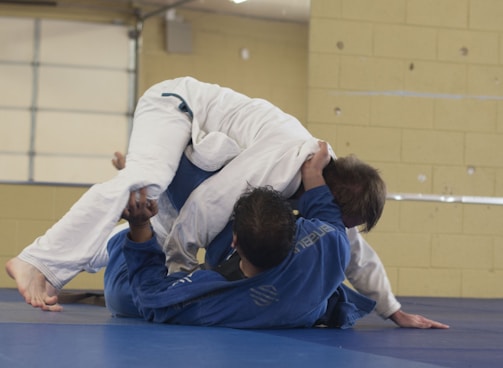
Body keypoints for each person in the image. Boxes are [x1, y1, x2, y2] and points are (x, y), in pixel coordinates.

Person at [6, 77, 448, 328]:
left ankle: (129, 226)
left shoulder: (323, 193)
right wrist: (177, 273)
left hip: (202, 151)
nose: (339, 224)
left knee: (153, 211)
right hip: (174, 107)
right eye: (343, 216)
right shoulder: (282, 163)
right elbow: (206, 204)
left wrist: (393, 310)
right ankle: (38, 261)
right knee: (148, 181)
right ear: (329, 195)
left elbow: (353, 249)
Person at [103, 142, 377, 328]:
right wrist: (315, 175)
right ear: (294, 229)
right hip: (285, 294)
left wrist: (139, 226)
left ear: (235, 241)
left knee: (122, 299)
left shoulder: (214, 300)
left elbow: (149, 297)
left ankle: (126, 233)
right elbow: (327, 212)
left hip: (150, 255)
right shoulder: (329, 244)